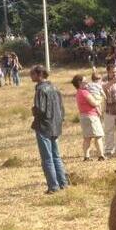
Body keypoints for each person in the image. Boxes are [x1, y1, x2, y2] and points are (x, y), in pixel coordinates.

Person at [30, 65, 69, 194]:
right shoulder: (55, 87)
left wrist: (33, 111)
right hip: (55, 126)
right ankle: (63, 183)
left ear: (40, 75)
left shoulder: (41, 90)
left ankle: (53, 186)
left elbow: (40, 109)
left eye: (33, 74)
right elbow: (61, 109)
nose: (31, 76)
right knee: (56, 156)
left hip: (44, 127)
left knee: (47, 158)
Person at [72, 74, 106, 161]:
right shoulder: (84, 92)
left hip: (84, 116)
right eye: (85, 81)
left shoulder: (79, 92)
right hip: (91, 117)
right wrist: (101, 98)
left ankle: (86, 157)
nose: (87, 83)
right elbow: (94, 103)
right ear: (79, 83)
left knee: (87, 138)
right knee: (98, 136)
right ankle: (101, 156)